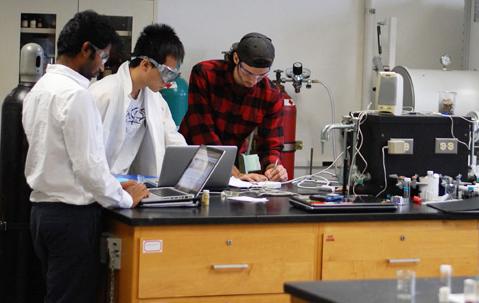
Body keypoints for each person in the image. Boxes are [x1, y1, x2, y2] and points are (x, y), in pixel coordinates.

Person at [22, 11, 149, 302]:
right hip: (71, 218)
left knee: (57, 293)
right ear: (86, 49)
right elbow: (89, 167)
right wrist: (126, 198)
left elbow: (61, 158)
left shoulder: (40, 89)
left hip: (42, 214)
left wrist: (115, 185)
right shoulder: (77, 95)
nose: (102, 66)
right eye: (102, 57)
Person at [179, 32, 288, 182]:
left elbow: (271, 143)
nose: (254, 81)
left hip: (231, 163)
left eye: (261, 75)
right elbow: (202, 130)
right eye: (248, 73)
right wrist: (233, 173)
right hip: (192, 156)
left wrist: (272, 167)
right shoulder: (205, 74)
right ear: (236, 58)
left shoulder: (271, 94)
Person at [89, 23, 187, 176]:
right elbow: (87, 151)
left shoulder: (155, 99)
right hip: (99, 182)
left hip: (128, 181)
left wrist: (199, 164)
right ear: (146, 65)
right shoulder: (101, 94)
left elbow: (172, 138)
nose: (168, 83)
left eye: (173, 76)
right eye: (167, 74)